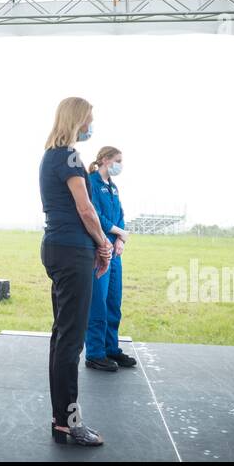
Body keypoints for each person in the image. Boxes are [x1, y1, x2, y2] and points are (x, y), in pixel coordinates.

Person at [40, 97, 114, 447]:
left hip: (58, 248)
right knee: (71, 340)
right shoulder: (69, 156)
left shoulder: (51, 156)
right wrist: (103, 243)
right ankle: (69, 423)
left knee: (63, 337)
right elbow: (86, 209)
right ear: (77, 120)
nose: (91, 126)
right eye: (89, 120)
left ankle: (61, 421)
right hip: (72, 251)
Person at [84, 146, 136, 372]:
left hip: (115, 251)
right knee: (98, 302)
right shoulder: (91, 183)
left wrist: (121, 239)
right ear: (105, 160)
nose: (120, 165)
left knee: (114, 301)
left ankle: (110, 348)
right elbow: (95, 215)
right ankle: (95, 353)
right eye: (117, 160)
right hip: (99, 249)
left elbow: (120, 215)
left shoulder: (113, 187)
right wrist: (118, 233)